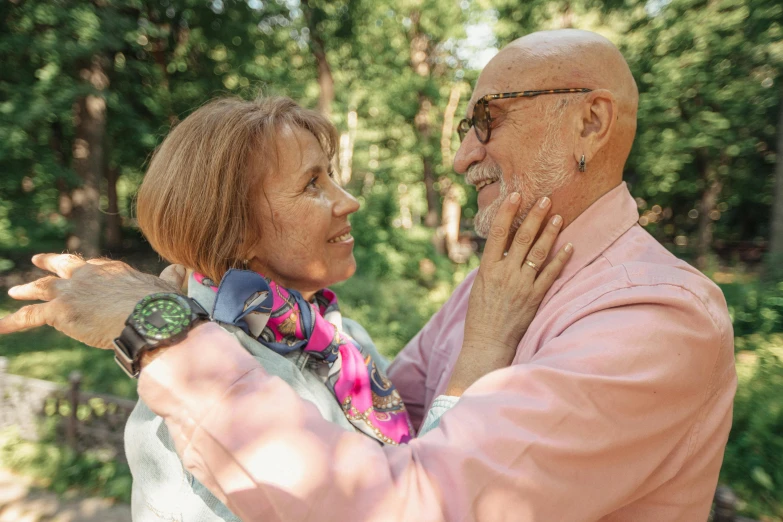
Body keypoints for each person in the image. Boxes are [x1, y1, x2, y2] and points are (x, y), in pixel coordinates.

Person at [0, 29, 736, 522]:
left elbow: (405, 491)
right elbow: (410, 421)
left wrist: (160, 327)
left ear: (590, 122)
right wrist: (185, 319)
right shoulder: (495, 282)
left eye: (487, 118)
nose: (460, 158)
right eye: (315, 184)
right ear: (236, 227)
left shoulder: (648, 317)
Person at [5, 96, 569, 522]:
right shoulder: (190, 393)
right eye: (312, 184)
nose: (348, 201)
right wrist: (486, 345)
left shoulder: (334, 339)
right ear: (236, 229)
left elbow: (411, 460)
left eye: (334, 175)